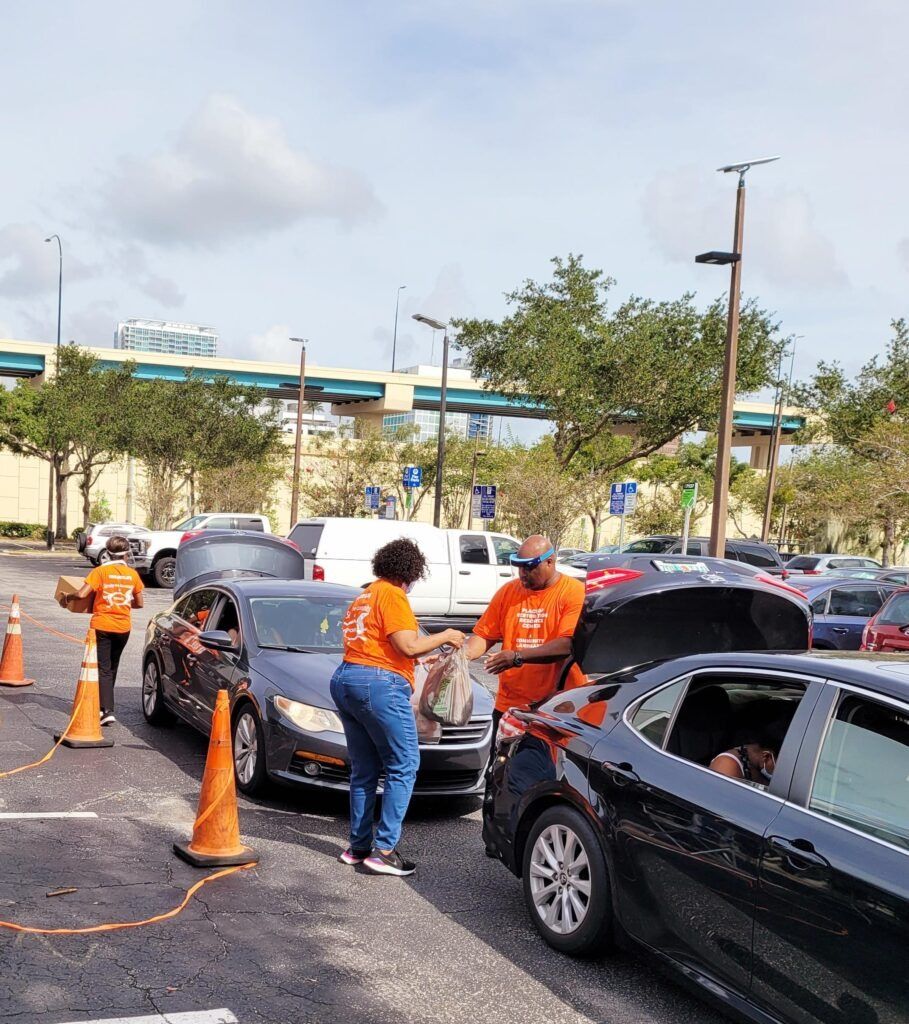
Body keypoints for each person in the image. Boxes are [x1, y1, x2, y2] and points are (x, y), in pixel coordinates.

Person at [330, 538, 465, 877]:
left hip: (347, 678)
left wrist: (427, 652)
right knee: (404, 764)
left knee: (364, 769)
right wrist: (447, 634)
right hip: (378, 685)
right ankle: (385, 851)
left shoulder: (366, 595)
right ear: (411, 571)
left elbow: (382, 645)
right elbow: (407, 645)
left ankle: (358, 847)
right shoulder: (393, 594)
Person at [464, 534, 586, 742]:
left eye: (529, 567)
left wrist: (517, 657)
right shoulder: (508, 592)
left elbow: (566, 645)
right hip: (509, 705)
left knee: (542, 772)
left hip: (554, 707)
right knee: (502, 770)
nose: (522, 573)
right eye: (519, 567)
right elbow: (485, 635)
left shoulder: (573, 593)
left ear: (550, 561)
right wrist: (458, 657)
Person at [59, 535, 144, 726]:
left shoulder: (100, 572)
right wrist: (120, 599)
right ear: (126, 553)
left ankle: (106, 710)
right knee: (112, 667)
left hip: (102, 625)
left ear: (108, 552)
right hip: (123, 627)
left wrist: (67, 597)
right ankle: (103, 707)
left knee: (102, 668)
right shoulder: (133, 575)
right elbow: (139, 603)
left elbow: (81, 594)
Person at [709, 723, 781, 784]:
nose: (778, 770)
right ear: (767, 756)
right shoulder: (728, 764)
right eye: (779, 765)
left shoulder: (751, 765)